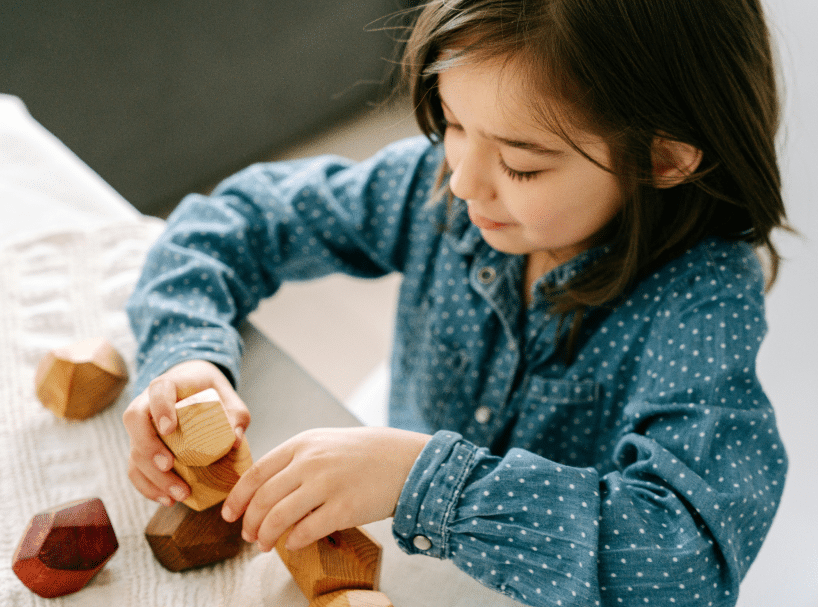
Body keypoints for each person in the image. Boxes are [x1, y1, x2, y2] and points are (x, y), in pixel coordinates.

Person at [123, 0, 791, 605]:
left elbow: (689, 561)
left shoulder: (702, 305)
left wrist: (425, 478)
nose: (464, 181)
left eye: (522, 166)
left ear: (663, 159)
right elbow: (229, 226)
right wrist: (187, 356)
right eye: (451, 122)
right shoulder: (438, 181)